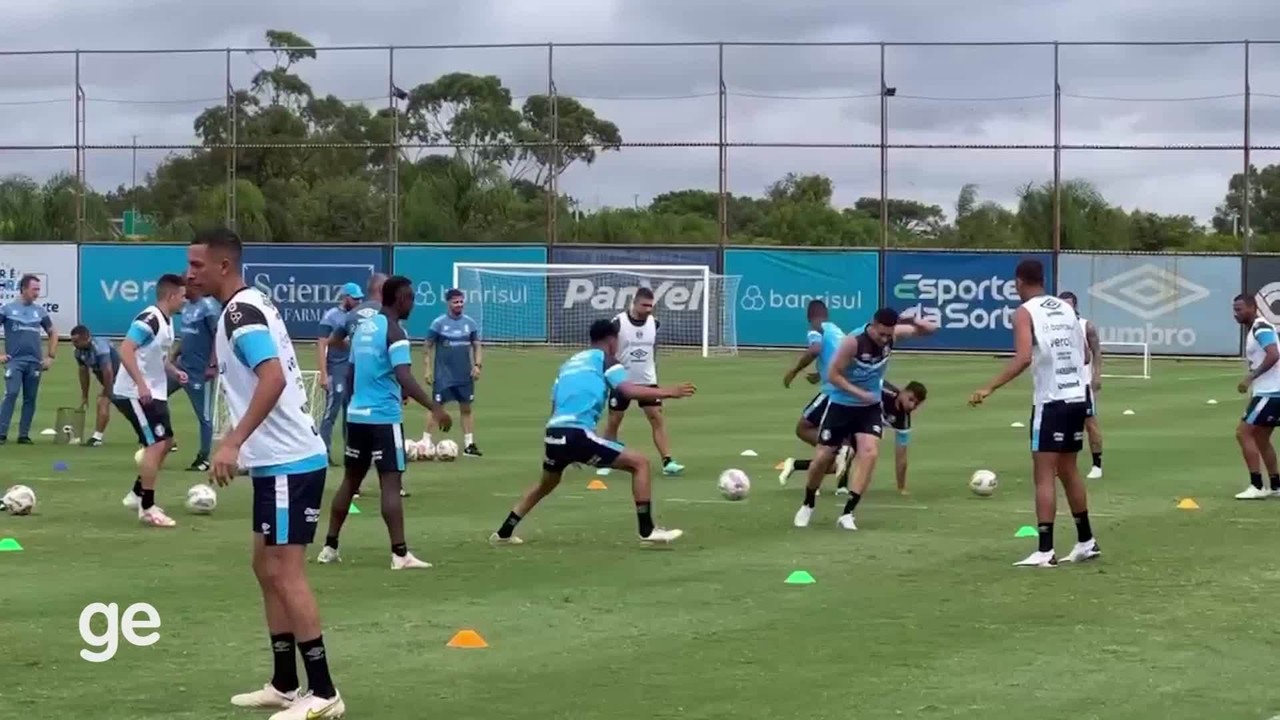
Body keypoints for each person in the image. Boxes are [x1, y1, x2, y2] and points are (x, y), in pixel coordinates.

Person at [188, 228, 345, 720]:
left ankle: (323, 692)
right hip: (276, 462)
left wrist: (232, 440)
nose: (190, 274)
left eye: (197, 266)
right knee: (265, 567)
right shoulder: (247, 305)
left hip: (289, 462)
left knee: (285, 571)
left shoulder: (239, 312)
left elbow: (273, 377)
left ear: (223, 267)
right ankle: (284, 682)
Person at [491, 318, 695, 546]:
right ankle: (647, 531)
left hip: (554, 432)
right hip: (575, 434)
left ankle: (504, 532)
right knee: (641, 464)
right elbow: (626, 390)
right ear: (611, 340)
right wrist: (670, 391)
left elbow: (556, 404)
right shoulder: (606, 360)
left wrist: (565, 445)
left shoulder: (569, 364)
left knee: (546, 484)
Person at [970, 258, 1101, 567]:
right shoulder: (1066, 307)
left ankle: (1045, 550)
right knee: (1068, 469)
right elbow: (1083, 353)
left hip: (1051, 400)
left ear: (1018, 282)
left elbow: (1024, 357)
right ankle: (1086, 541)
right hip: (1077, 396)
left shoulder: (1024, 313)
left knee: (1044, 473)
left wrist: (989, 387)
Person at [317, 275, 452, 570]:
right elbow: (404, 374)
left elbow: (352, 372)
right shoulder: (395, 332)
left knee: (350, 481)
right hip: (383, 418)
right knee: (390, 482)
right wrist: (435, 408)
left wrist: (355, 404)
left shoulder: (364, 329)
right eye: (411, 298)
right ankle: (400, 554)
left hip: (357, 415)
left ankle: (329, 547)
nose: (413, 304)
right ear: (400, 298)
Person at [794, 308, 935, 531]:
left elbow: (930, 330)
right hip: (841, 404)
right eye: (881, 334)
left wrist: (914, 320)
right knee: (823, 458)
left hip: (869, 408)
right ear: (872, 324)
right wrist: (858, 393)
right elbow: (833, 375)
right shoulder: (852, 342)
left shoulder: (892, 334)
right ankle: (808, 503)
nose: (885, 339)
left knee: (869, 453)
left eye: (889, 335)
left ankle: (848, 512)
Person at [115, 274, 186, 528]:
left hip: (155, 391)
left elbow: (158, 356)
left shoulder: (167, 322)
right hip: (135, 392)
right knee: (156, 444)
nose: (185, 300)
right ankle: (147, 507)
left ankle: (136, 494)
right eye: (183, 296)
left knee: (166, 442)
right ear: (171, 296)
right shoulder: (149, 318)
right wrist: (141, 384)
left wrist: (174, 371)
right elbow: (125, 349)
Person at [602, 287, 685, 476]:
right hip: (622, 381)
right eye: (644, 305)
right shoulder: (618, 323)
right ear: (634, 302)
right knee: (614, 420)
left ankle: (668, 461)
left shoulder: (654, 323)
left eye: (651, 305)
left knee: (656, 418)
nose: (648, 309)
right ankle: (606, 459)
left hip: (647, 381)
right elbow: (609, 349)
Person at [778, 300, 850, 485]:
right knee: (837, 437)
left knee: (802, 428)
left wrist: (793, 371)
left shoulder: (815, 328)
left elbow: (816, 349)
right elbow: (839, 355)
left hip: (835, 390)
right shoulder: (836, 330)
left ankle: (839, 447)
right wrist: (820, 373)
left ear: (809, 317)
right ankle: (839, 454)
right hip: (851, 387)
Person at [834, 381, 928, 496]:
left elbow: (901, 456)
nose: (912, 406)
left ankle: (842, 484)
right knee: (846, 452)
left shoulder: (903, 420)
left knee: (833, 462)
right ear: (903, 392)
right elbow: (862, 381)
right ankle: (842, 486)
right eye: (911, 399)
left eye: (916, 404)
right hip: (846, 407)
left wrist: (901, 487)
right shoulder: (884, 389)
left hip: (864, 425)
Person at [423, 288, 484, 456]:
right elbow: (427, 347)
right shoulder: (439, 323)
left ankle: (469, 445)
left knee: (466, 408)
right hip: (443, 375)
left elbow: (477, 345)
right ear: (448, 303)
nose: (459, 305)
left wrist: (477, 365)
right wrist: (427, 369)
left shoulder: (470, 323)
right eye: (455, 302)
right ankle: (426, 442)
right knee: (436, 408)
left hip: (464, 375)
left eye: (461, 301)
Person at [1231, 293, 1280, 499]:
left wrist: (1251, 377)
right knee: (1260, 437)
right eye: (1235, 309)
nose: (1236, 313)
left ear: (1253, 307)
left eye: (1240, 309)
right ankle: (1276, 486)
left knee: (1243, 433)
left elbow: (1274, 353)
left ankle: (1257, 485)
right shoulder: (1255, 329)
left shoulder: (1261, 327)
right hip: (1270, 391)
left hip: (1271, 392)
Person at [0, 274, 58, 444]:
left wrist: (50, 356)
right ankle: (2, 433)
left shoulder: (39, 312)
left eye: (38, 289)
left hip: (34, 362)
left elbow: (53, 332)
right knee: (11, 393)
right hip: (15, 361)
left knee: (30, 398)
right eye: (34, 289)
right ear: (23, 289)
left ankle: (23, 435)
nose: (37, 293)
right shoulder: (7, 309)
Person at [170, 282, 222, 471]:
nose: (182, 290)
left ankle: (204, 458)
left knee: (204, 416)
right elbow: (187, 336)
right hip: (182, 367)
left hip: (200, 372)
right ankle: (165, 439)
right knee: (154, 396)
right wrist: (175, 355)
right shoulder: (186, 308)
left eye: (185, 287)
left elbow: (218, 335)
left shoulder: (208, 308)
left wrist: (212, 364)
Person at [1059, 291, 1104, 479]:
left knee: (1090, 423)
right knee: (1060, 425)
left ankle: (1097, 465)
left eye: (1069, 304)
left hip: (1082, 384)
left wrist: (1097, 376)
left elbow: (1096, 352)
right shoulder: (1056, 327)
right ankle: (1061, 465)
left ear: (1075, 306)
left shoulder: (1086, 326)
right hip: (1061, 384)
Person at [317, 283, 363, 465]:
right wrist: (323, 373)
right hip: (336, 370)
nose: (359, 301)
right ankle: (323, 451)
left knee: (351, 414)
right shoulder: (331, 316)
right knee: (331, 412)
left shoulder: (359, 316)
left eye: (360, 298)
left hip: (353, 370)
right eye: (355, 298)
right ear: (345, 298)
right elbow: (322, 344)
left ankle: (350, 452)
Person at [70, 325, 120, 447]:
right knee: (131, 410)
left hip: (123, 378)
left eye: (76, 341)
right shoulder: (78, 352)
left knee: (102, 402)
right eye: (72, 341)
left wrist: (108, 393)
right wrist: (85, 396)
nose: (74, 344)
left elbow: (108, 371)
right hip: (109, 380)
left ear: (86, 338)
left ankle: (97, 438)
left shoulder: (100, 346)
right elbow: (83, 373)